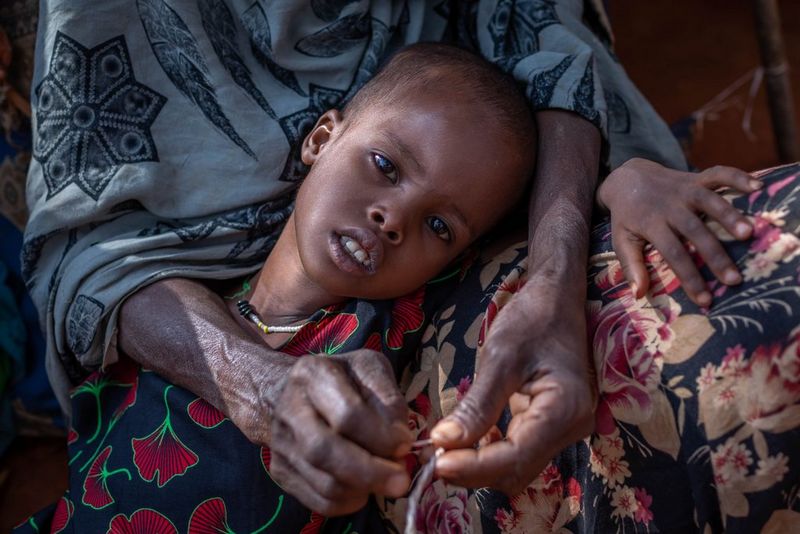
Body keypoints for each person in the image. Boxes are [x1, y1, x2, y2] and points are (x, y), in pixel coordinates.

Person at [21, 1, 797, 532]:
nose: (391, 219)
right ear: (322, 138)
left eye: (435, 225)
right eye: (385, 166)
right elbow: (89, 250)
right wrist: (257, 383)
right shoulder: (137, 367)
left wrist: (599, 199)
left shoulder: (377, 340)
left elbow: (542, 42)